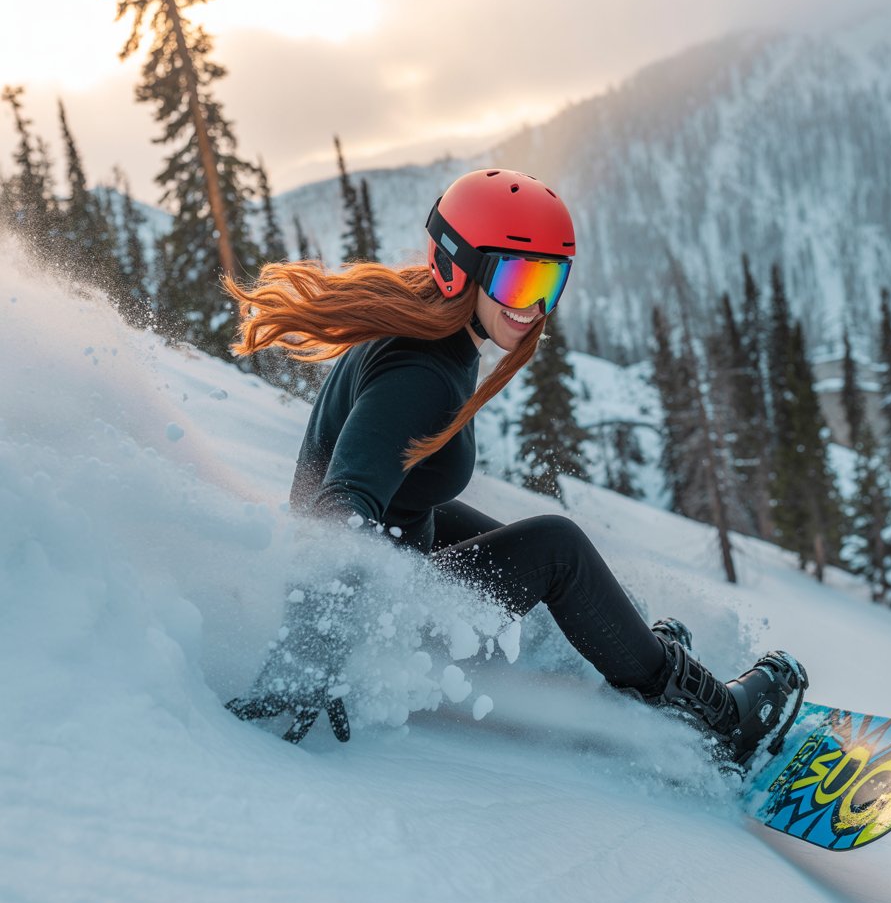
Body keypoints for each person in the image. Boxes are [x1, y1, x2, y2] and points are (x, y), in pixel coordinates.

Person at [223, 168, 808, 764]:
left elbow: (381, 490)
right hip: (375, 618)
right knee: (557, 548)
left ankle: (623, 652)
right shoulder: (421, 375)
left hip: (386, 569)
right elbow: (340, 504)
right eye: (517, 278)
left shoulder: (424, 318)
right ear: (460, 265)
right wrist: (312, 654)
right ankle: (715, 722)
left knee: (492, 530)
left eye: (549, 281)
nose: (532, 306)